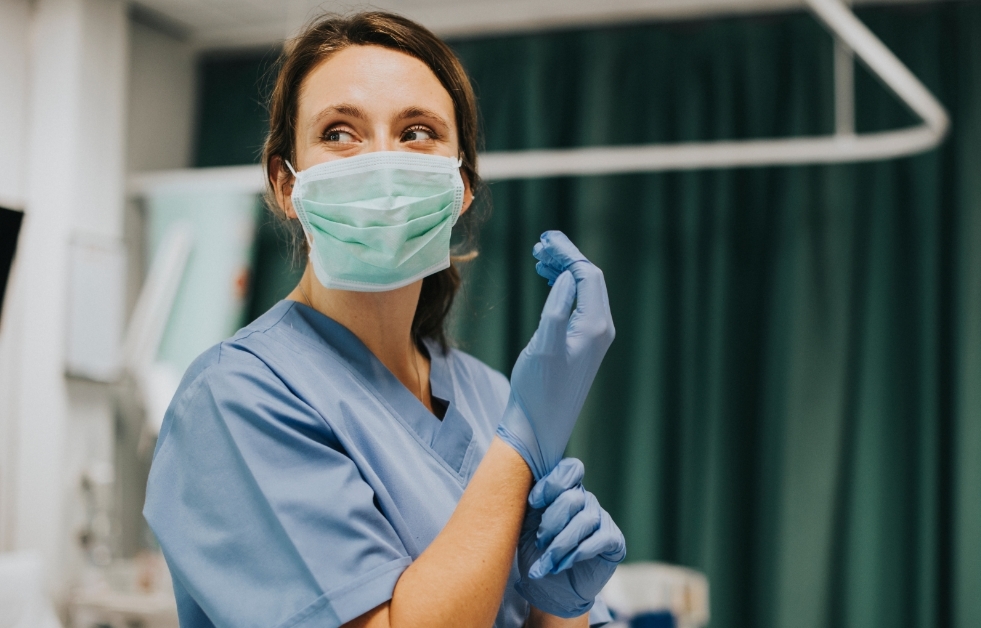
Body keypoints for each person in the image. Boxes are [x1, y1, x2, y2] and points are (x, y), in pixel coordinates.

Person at [143, 11, 624, 628]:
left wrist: (561, 609)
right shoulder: (235, 400)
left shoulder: (489, 396)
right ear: (285, 185)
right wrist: (522, 444)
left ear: (463, 186)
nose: (382, 165)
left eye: (417, 131)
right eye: (339, 133)